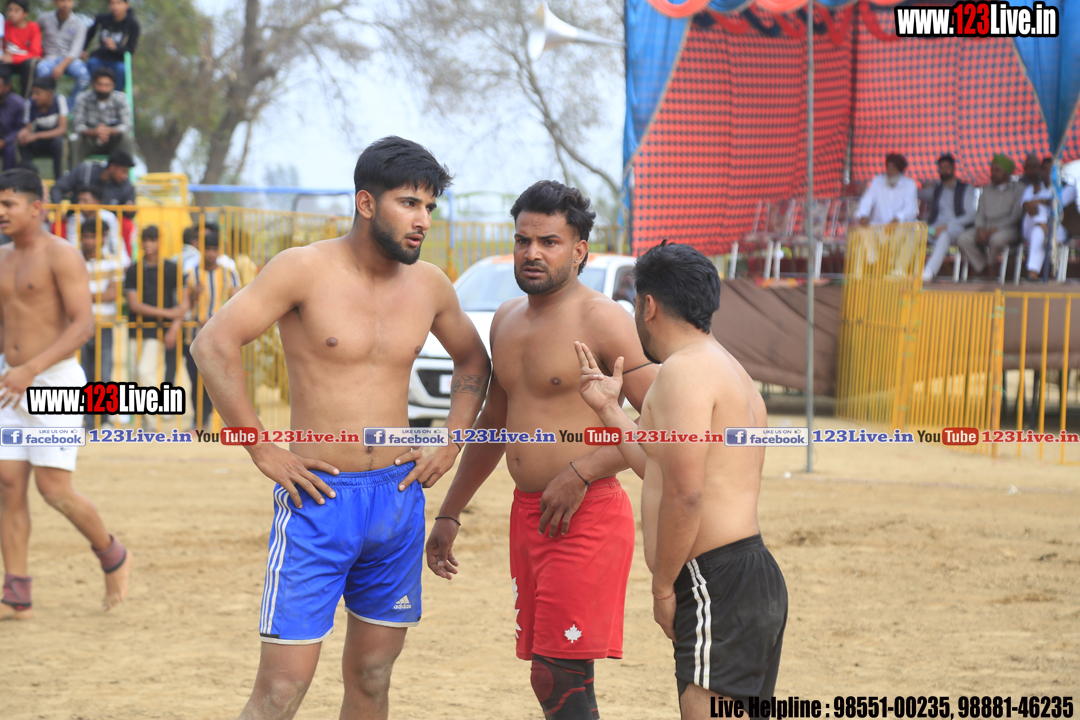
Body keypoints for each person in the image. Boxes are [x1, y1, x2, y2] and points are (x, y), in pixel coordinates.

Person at [189, 136, 489, 720]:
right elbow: (212, 344)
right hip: (318, 499)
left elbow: (473, 359)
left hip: (397, 500)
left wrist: (451, 441)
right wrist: (261, 448)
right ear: (366, 202)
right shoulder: (302, 269)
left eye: (430, 207)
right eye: (409, 203)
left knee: (373, 678)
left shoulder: (430, 284)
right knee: (281, 691)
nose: (423, 220)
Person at [426, 180, 658, 720]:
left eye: (549, 242)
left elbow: (661, 421)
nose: (532, 252)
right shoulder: (506, 318)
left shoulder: (604, 318)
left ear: (579, 251)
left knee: (558, 676)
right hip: (528, 516)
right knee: (551, 674)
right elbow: (494, 422)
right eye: (523, 240)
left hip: (587, 512)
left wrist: (584, 470)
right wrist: (450, 512)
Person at [575, 241, 787, 718]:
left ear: (648, 305)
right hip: (747, 573)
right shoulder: (730, 370)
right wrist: (610, 410)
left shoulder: (684, 373)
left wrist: (663, 586)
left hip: (715, 577)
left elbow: (685, 493)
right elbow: (659, 469)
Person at [0, 168, 131, 620]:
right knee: (7, 484)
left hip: (54, 382)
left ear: (36, 207)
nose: (1, 212)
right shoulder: (1, 258)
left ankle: (113, 555)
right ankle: (16, 594)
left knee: (53, 489)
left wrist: (30, 369)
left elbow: (83, 326)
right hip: (9, 384)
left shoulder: (62, 254)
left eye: (8, 204)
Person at [183, 231, 239, 430]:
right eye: (208, 249)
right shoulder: (191, 274)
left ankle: (221, 422)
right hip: (194, 335)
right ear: (201, 250)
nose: (211, 253)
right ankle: (199, 421)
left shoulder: (229, 273)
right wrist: (194, 295)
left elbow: (237, 302)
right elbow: (183, 305)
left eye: (215, 249)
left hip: (220, 337)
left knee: (220, 380)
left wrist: (217, 321)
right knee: (195, 380)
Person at [124, 225, 183, 388]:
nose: (148, 244)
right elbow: (134, 305)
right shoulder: (133, 270)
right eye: (145, 240)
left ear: (160, 242)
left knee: (144, 373)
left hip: (159, 330)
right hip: (136, 328)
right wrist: (167, 313)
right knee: (135, 377)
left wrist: (174, 327)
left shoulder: (171, 268)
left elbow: (182, 304)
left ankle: (152, 405)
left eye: (152, 240)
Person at [957, 155, 1025, 278]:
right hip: (986, 227)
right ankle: (983, 268)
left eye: (997, 170)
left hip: (1008, 228)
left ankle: (991, 265)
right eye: (992, 170)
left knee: (996, 240)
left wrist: (991, 231)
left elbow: (1015, 216)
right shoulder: (986, 190)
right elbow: (980, 214)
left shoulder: (1019, 189)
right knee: (963, 239)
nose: (993, 173)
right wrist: (981, 229)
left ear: (1007, 172)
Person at [919, 153, 975, 282]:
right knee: (914, 234)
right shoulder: (936, 189)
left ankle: (928, 273)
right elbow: (916, 194)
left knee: (944, 236)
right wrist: (925, 185)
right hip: (934, 228)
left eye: (946, 167)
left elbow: (970, 215)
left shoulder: (966, 188)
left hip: (955, 227)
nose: (944, 170)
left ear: (953, 168)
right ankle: (902, 271)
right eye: (941, 168)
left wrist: (946, 227)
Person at [79, 218, 121, 386]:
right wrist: (99, 295)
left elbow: (113, 294)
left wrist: (82, 296)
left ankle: (101, 406)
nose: (89, 241)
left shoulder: (113, 261)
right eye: (86, 236)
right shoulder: (73, 260)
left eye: (93, 236)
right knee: (82, 376)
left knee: (103, 376)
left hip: (104, 324)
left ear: (103, 237)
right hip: (79, 324)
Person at [70, 67, 133, 167]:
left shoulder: (121, 99)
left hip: (113, 141)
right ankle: (75, 174)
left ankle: (123, 174)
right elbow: (77, 125)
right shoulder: (83, 98)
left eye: (107, 85)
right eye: (99, 84)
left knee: (126, 138)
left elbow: (127, 125)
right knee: (75, 139)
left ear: (113, 85)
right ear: (93, 84)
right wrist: (94, 132)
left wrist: (108, 131)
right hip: (90, 140)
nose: (103, 89)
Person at [34, 0, 89, 106]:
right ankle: (50, 107)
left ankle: (71, 107)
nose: (65, 4)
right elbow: (33, 32)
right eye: (62, 1)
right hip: (49, 57)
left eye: (69, 1)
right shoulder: (44, 18)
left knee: (84, 77)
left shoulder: (79, 23)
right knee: (42, 71)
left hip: (70, 59)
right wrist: (38, 50)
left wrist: (62, 66)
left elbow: (76, 49)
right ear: (55, 2)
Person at [17, 76, 66, 179]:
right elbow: (28, 128)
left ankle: (60, 180)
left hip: (53, 142)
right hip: (38, 143)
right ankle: (28, 176)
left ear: (50, 93)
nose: (34, 96)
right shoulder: (30, 103)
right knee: (21, 142)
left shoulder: (59, 100)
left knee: (60, 143)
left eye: (38, 93)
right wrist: (24, 133)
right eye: (33, 93)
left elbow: (62, 130)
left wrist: (37, 135)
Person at [66, 184, 128, 266]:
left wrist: (124, 264)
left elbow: (117, 244)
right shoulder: (74, 219)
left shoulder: (109, 218)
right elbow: (74, 245)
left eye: (85, 201)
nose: (80, 204)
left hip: (107, 262)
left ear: (97, 202)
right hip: (82, 262)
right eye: (79, 200)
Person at [50, 148, 135, 207]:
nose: (125, 176)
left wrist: (130, 210)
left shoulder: (126, 185)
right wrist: (58, 211)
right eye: (123, 171)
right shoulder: (84, 171)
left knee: (126, 223)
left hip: (108, 226)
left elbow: (131, 207)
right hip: (77, 221)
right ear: (112, 167)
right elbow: (57, 188)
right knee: (58, 224)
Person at [83, 0, 137, 92]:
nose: (115, 6)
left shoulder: (132, 24)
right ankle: (97, 93)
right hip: (100, 57)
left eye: (119, 3)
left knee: (122, 69)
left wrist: (116, 48)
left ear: (126, 5)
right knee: (91, 62)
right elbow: (89, 34)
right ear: (109, 6)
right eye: (112, 3)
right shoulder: (102, 19)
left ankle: (115, 95)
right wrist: (83, 50)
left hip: (118, 60)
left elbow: (131, 49)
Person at [855, 153, 918, 226]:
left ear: (899, 169)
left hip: (901, 228)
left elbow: (911, 208)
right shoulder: (877, 181)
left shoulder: (909, 184)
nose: (890, 170)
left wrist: (898, 218)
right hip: (879, 228)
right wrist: (863, 215)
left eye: (893, 167)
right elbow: (867, 201)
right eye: (888, 167)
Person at [0, 0, 42, 96]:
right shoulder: (4, 25)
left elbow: (35, 53)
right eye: (10, 10)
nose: (12, 13)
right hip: (7, 62)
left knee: (30, 64)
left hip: (24, 63)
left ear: (25, 14)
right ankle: (7, 98)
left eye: (16, 10)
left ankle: (26, 99)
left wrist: (14, 59)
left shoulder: (33, 27)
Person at [0, 68, 27, 171]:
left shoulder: (18, 103)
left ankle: (7, 179)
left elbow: (21, 129)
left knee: (11, 149)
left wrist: (4, 141)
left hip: (10, 141)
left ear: (7, 87)